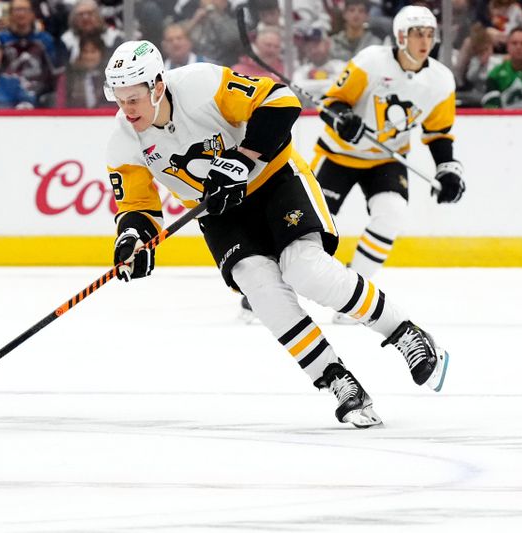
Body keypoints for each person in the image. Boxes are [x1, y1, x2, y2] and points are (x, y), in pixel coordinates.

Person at [104, 39, 450, 429]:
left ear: (158, 87)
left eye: (133, 99)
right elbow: (137, 208)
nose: (126, 110)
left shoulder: (201, 84)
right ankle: (337, 380)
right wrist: (133, 241)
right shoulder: (123, 140)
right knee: (259, 287)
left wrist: (242, 159)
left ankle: (405, 331)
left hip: (275, 182)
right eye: (119, 99)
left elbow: (282, 102)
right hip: (221, 214)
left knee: (305, 269)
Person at [310, 5, 466, 320]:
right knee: (309, 230)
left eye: (429, 34)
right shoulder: (370, 62)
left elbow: (438, 133)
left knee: (391, 214)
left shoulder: (441, 81)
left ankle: (353, 295)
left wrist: (447, 169)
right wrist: (345, 119)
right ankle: (269, 287)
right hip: (338, 156)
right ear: (400, 36)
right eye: (416, 33)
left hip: (385, 159)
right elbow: (333, 102)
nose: (424, 41)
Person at [481, 26, 522, 107]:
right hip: (504, 119)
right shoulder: (496, 74)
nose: (519, 47)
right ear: (507, 46)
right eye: (514, 43)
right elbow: (491, 107)